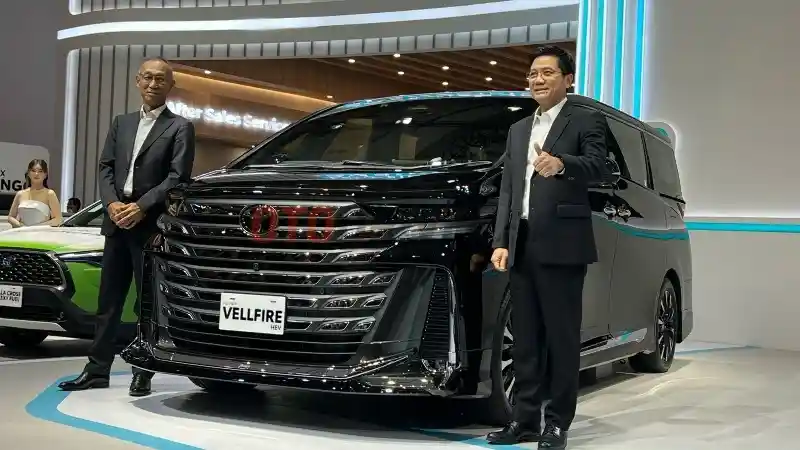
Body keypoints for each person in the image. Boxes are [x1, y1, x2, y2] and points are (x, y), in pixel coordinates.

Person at [486, 46, 609, 449]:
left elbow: (602, 167)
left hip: (563, 244)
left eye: (547, 73)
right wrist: (501, 240)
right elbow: (509, 189)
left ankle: (556, 423)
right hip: (522, 242)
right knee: (525, 340)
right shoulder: (519, 129)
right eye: (532, 74)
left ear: (568, 79)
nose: (537, 80)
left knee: (560, 338)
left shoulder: (585, 120)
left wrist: (563, 164)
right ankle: (524, 420)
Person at [58, 57, 195, 397]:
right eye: (147, 77)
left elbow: (178, 177)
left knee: (146, 304)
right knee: (108, 301)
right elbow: (105, 167)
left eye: (160, 79)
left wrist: (141, 206)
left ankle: (143, 371)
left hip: (149, 226)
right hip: (116, 222)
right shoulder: (121, 123)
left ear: (170, 85)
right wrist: (111, 204)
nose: (153, 83)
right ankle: (96, 370)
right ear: (137, 80)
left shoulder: (180, 127)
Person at [7, 159, 63, 228]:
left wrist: (35, 227)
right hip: (22, 232)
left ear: (45, 175)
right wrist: (20, 225)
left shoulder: (49, 194)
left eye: (40, 171)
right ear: (28, 173)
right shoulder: (20, 194)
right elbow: (10, 217)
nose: (36, 174)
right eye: (33, 171)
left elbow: (58, 219)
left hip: (42, 233)